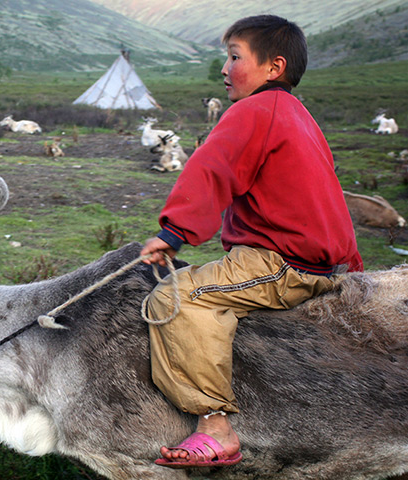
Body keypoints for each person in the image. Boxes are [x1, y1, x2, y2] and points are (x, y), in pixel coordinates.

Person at [140, 15, 363, 469]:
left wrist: (174, 233)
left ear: (273, 67)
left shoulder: (252, 112)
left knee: (176, 299)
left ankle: (215, 428)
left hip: (278, 262)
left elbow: (213, 168)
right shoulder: (301, 117)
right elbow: (329, 198)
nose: (224, 68)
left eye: (235, 56)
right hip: (321, 264)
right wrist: (354, 271)